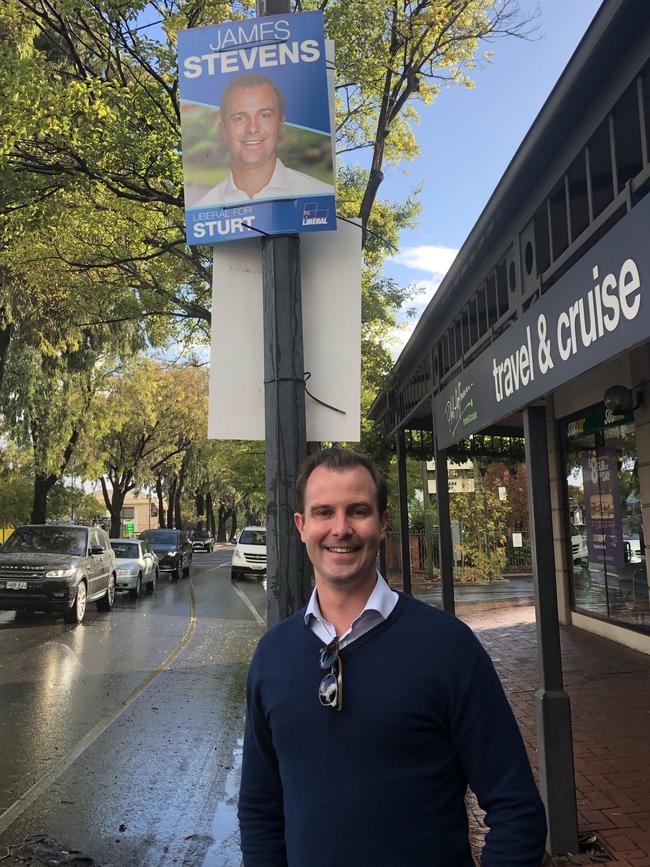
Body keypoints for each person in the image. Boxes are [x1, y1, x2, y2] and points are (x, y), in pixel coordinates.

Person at [238, 447, 547, 866]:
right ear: (302, 526)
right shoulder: (272, 656)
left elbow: (516, 810)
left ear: (383, 523)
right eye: (324, 512)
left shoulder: (448, 648)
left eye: (358, 511)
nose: (340, 529)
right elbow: (260, 812)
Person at [196, 73, 334, 207]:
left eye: (264, 115)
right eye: (239, 118)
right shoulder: (203, 209)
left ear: (281, 124)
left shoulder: (322, 195)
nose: (252, 128)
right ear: (223, 130)